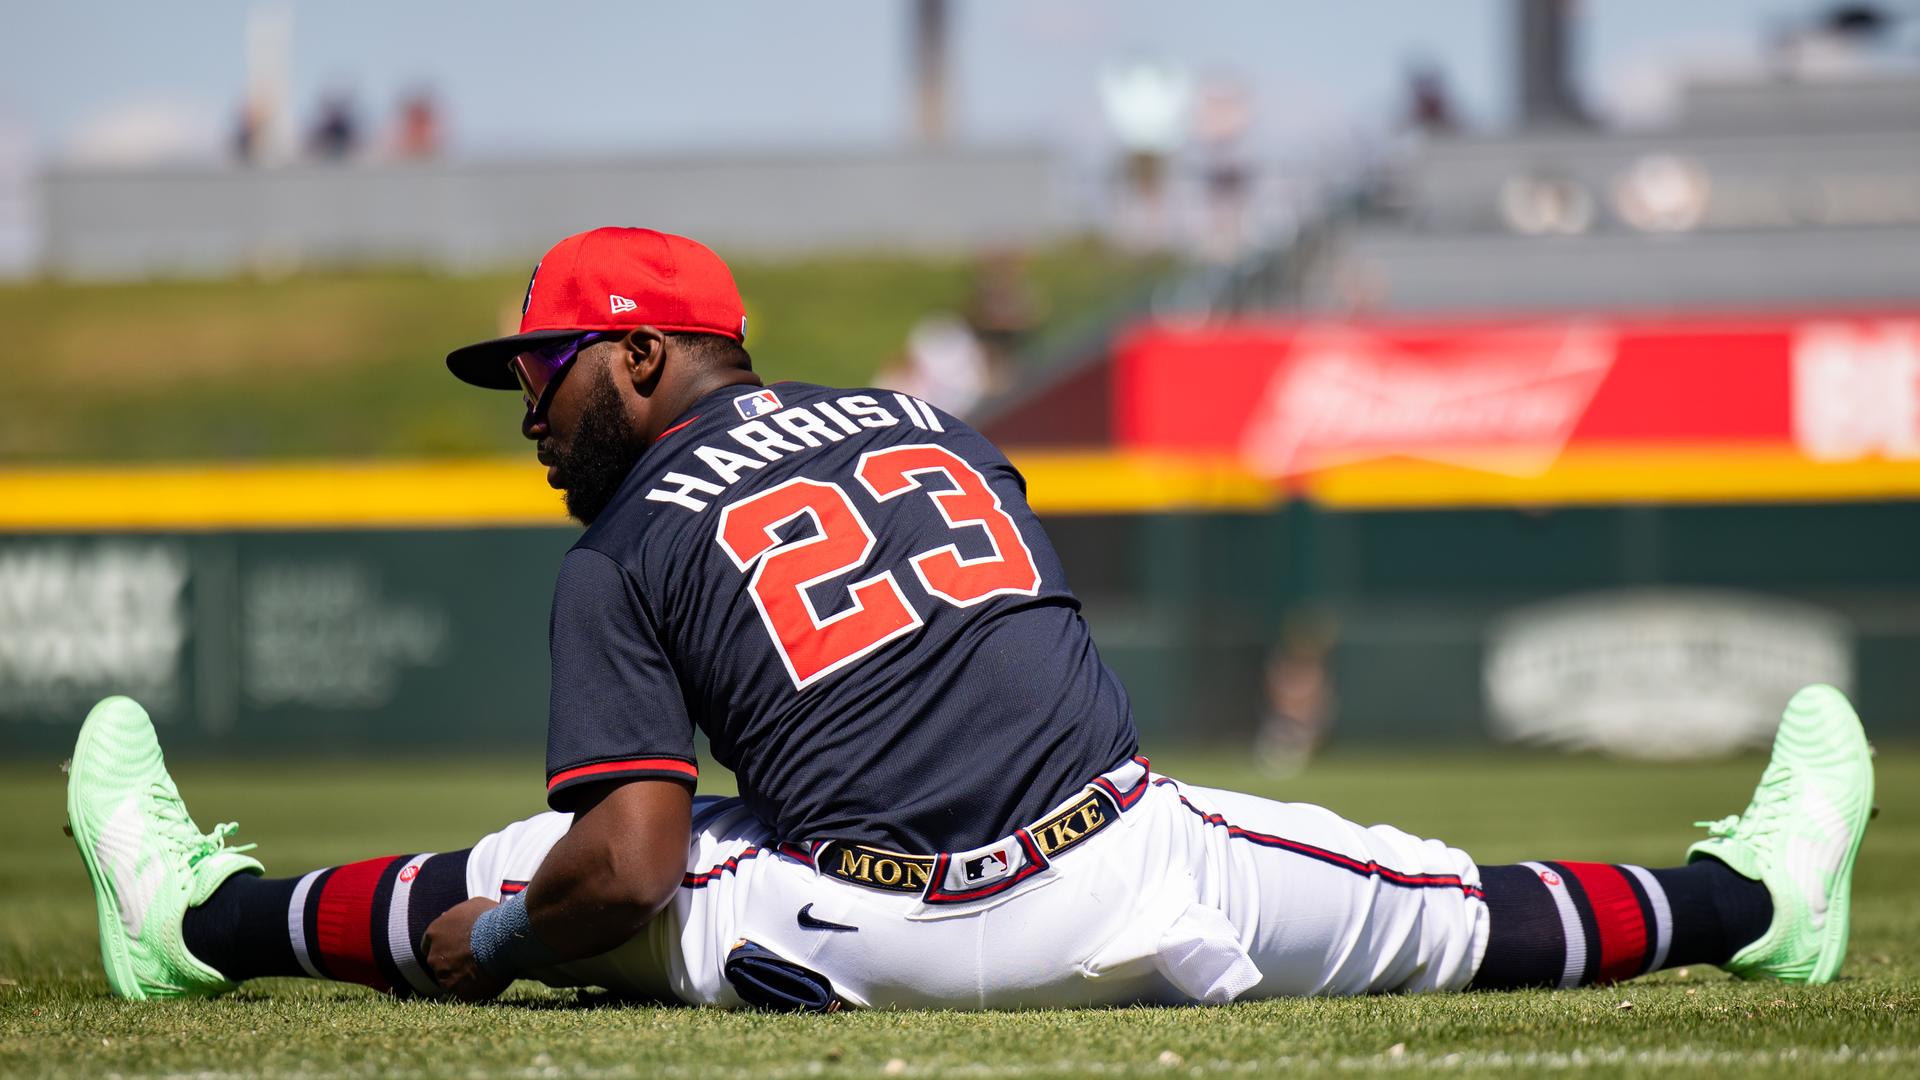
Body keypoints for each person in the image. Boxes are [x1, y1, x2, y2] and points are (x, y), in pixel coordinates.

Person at [65, 228, 1876, 1008]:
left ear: (637, 354)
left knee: (530, 869)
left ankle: (197, 922)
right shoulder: (935, 424)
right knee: (1455, 908)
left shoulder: (620, 542)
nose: (527, 411)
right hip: (1140, 869)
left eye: (541, 372)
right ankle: (1759, 906)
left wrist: (495, 953)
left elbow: (619, 869)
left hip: (870, 931)